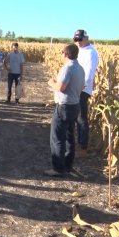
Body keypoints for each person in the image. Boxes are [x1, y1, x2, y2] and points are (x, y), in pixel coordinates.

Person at [45, 44, 85, 177]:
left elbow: (61, 87)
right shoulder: (80, 68)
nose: (61, 55)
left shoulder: (67, 68)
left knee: (57, 137)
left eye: (62, 53)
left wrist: (51, 83)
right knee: (69, 137)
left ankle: (58, 168)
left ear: (66, 54)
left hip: (64, 106)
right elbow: (80, 86)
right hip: (75, 105)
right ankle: (68, 165)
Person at [74, 29, 99, 157]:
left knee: (82, 118)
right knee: (78, 118)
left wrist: (79, 87)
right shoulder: (82, 50)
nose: (77, 42)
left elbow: (88, 75)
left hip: (83, 89)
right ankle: (80, 144)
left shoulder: (91, 53)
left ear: (86, 38)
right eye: (76, 39)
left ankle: (83, 149)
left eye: (79, 39)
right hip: (77, 88)